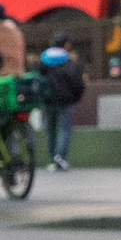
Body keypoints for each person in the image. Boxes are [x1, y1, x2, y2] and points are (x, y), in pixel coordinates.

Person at [35, 40, 86, 170]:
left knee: (50, 130)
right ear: (66, 44)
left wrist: (40, 98)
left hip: (47, 102)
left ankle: (53, 158)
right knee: (64, 129)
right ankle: (60, 156)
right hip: (65, 101)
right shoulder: (69, 62)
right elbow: (77, 83)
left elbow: (36, 80)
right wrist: (75, 98)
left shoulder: (42, 61)